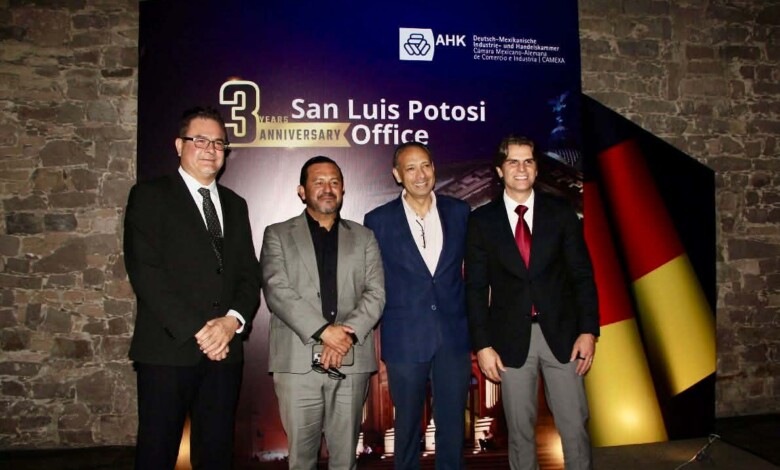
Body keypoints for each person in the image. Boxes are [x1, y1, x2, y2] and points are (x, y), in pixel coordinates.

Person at [124, 106, 260, 469]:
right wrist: (201, 331)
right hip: (168, 351)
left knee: (216, 455)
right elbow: (145, 272)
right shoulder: (149, 196)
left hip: (224, 354)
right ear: (178, 145)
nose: (211, 149)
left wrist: (231, 322)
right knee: (156, 453)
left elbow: (249, 274)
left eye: (219, 143)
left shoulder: (236, 205)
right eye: (200, 140)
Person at [465, 135, 599, 470]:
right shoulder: (482, 221)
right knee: (519, 433)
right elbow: (476, 289)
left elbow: (582, 275)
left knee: (574, 425)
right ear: (500, 170)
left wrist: (589, 331)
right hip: (509, 340)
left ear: (537, 169)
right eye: (513, 161)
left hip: (564, 336)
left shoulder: (561, 212)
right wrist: (482, 346)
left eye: (528, 161)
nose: (521, 168)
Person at [260, 156, 385, 470]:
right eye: (318, 182)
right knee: (302, 461)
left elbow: (376, 293)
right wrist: (325, 332)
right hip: (297, 363)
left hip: (350, 360)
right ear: (302, 191)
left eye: (334, 182)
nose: (327, 188)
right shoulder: (277, 234)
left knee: (345, 461)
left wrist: (343, 336)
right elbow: (277, 291)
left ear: (343, 189)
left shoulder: (364, 237)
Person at [364, 142, 471, 470]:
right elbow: (371, 282)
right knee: (407, 427)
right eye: (410, 168)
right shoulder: (378, 220)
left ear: (434, 169)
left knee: (453, 426)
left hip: (453, 337)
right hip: (405, 338)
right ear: (398, 175)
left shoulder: (460, 212)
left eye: (425, 165)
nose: (420, 174)